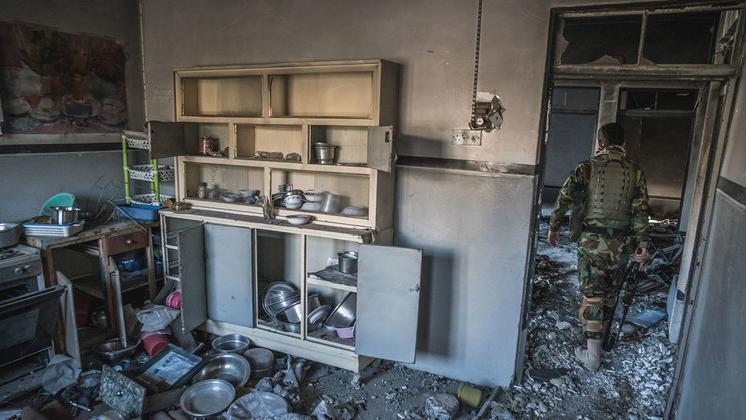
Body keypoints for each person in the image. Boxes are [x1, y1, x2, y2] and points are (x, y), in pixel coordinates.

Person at [547, 122, 650, 372]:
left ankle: (592, 356)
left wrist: (554, 226)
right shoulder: (635, 172)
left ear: (601, 142)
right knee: (610, 294)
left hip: (591, 243)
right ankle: (600, 343)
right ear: (622, 144)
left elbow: (564, 197)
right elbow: (640, 212)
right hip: (621, 245)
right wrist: (642, 244)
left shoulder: (586, 167)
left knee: (593, 295)